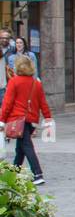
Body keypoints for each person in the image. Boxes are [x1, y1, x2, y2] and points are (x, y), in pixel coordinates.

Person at [1, 54, 52, 185]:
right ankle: (13, 173)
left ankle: (38, 173)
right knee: (20, 148)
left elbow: (7, 103)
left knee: (26, 146)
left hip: (18, 119)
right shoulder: (36, 83)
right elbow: (43, 103)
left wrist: (2, 120)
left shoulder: (14, 82)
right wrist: (47, 118)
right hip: (31, 120)